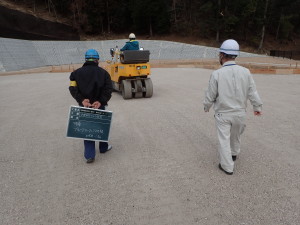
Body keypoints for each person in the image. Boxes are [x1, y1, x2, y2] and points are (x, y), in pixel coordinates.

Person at [203, 39, 263, 175]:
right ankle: (234, 153)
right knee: (235, 135)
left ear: (223, 55)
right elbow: (252, 91)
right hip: (240, 113)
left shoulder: (217, 74)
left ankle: (227, 166)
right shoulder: (246, 72)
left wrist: (206, 106)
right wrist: (257, 107)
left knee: (224, 140)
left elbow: (210, 94)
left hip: (223, 114)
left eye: (220, 55)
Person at [69, 49, 113, 163]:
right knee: (101, 126)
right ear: (97, 60)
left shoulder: (75, 74)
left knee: (87, 128)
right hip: (99, 105)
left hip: (85, 106)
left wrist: (82, 100)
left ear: (86, 59)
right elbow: (108, 89)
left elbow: (72, 88)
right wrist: (100, 101)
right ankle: (103, 148)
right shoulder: (104, 73)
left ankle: (89, 155)